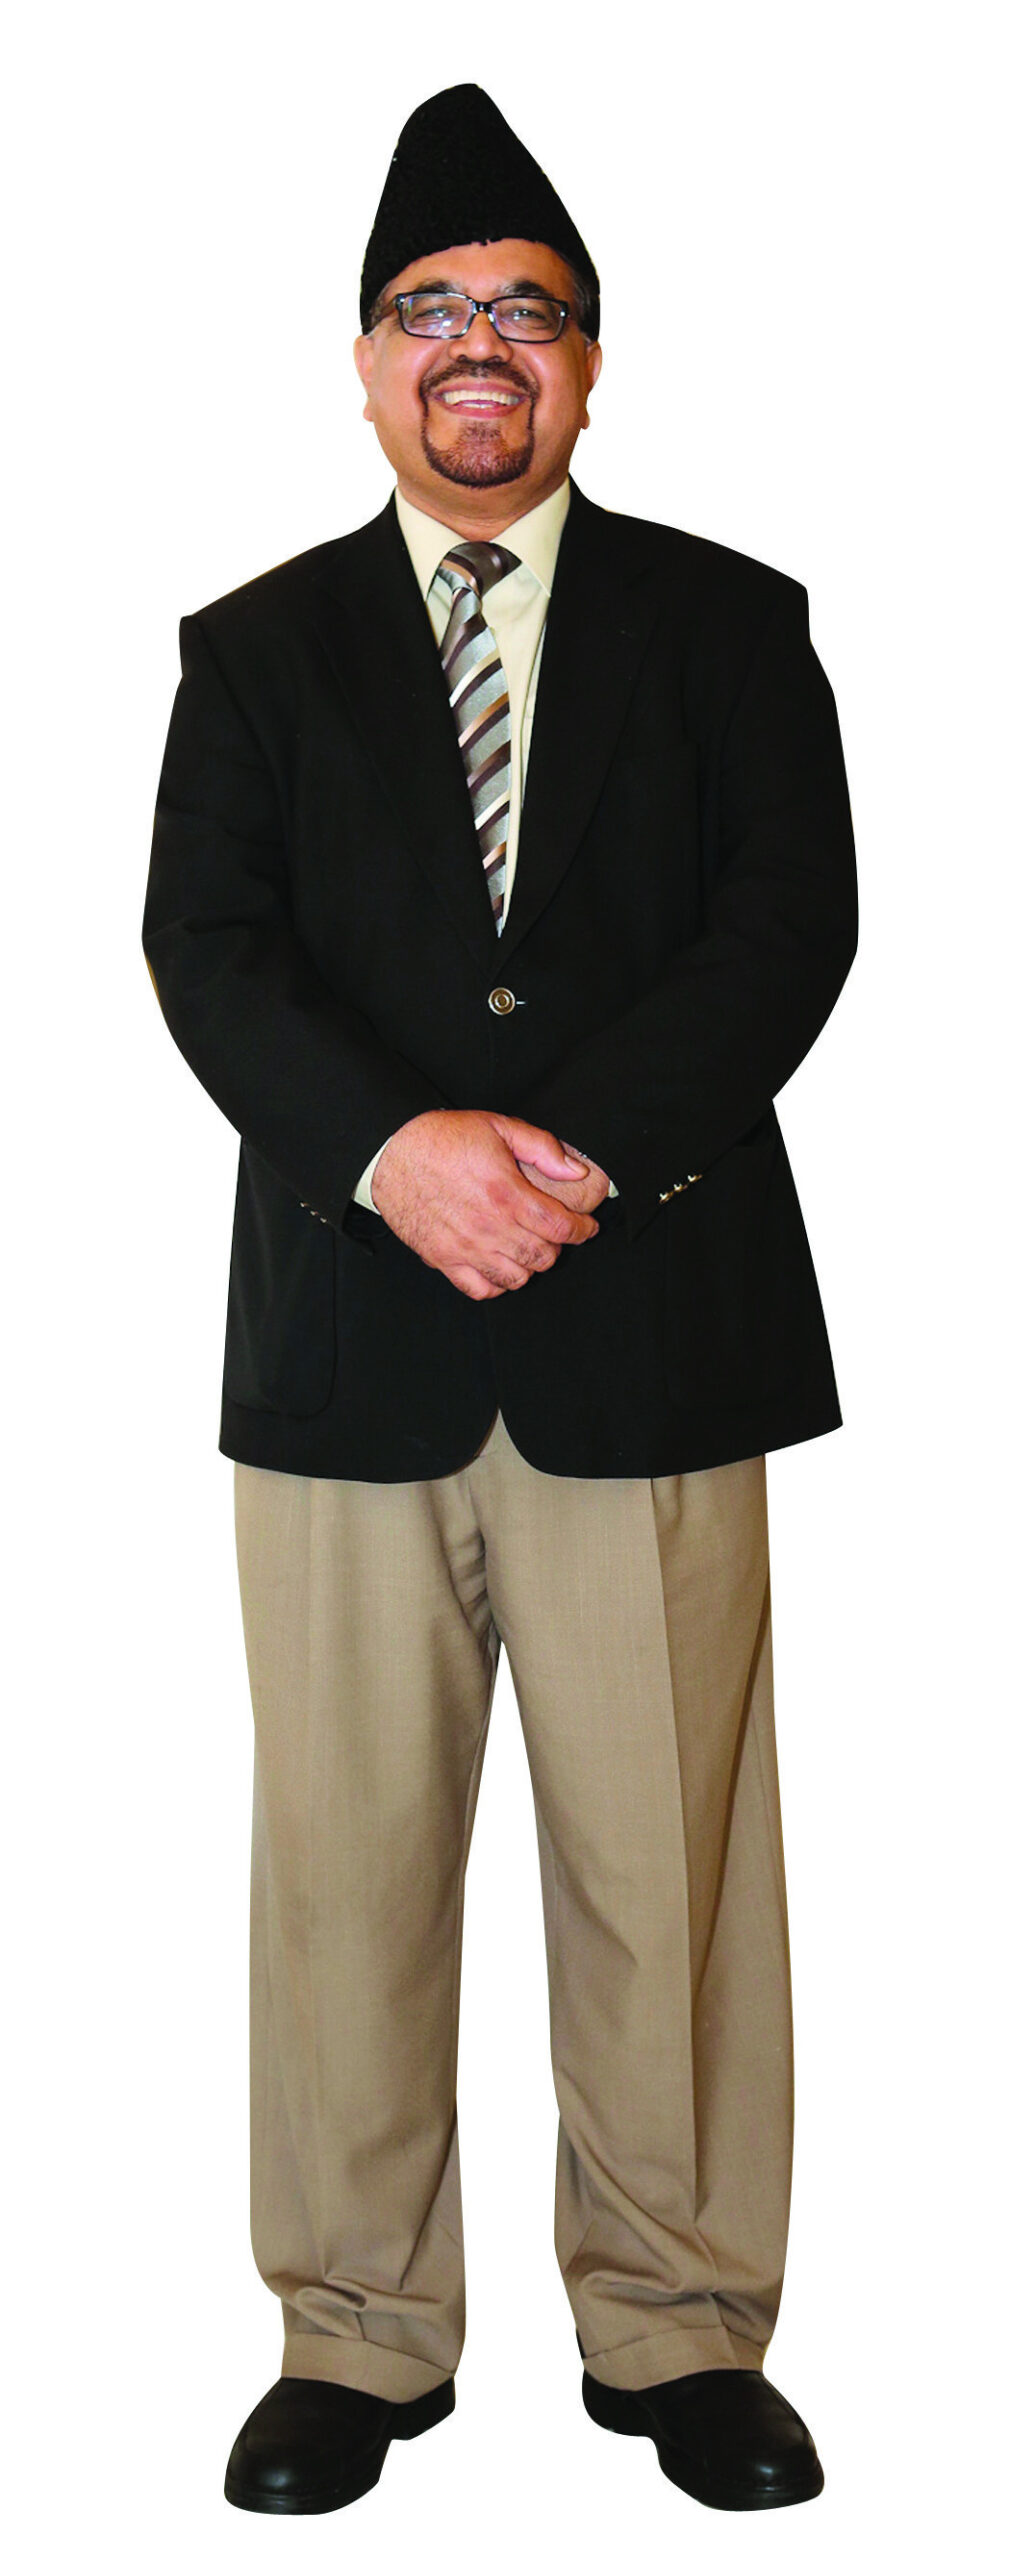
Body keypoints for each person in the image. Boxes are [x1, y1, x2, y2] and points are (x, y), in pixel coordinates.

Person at [142, 84, 857, 2517]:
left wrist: (557, 1165)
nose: (480, 347)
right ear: (364, 363)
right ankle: (353, 2333)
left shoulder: (730, 626)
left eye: (525, 313)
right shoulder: (252, 651)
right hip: (346, 1342)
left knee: (673, 1872)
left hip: (649, 1326)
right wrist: (396, 1155)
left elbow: (784, 930)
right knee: (342, 1867)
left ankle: (679, 2325)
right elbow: (208, 949)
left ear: (588, 362)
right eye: (432, 311)